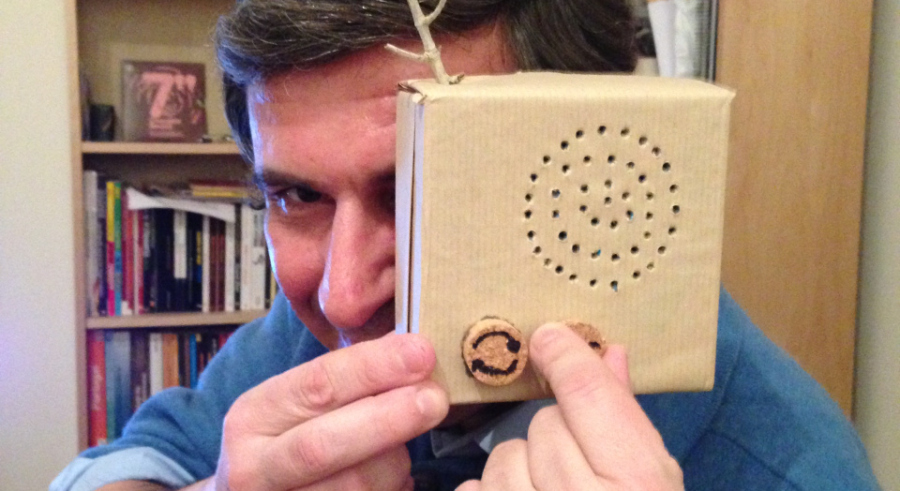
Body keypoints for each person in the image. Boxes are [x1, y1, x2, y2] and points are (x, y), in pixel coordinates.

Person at [53, 0, 879, 490]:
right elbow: (142, 452)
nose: (343, 295)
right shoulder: (334, 330)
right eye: (298, 196)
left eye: (419, 193)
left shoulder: (792, 468)